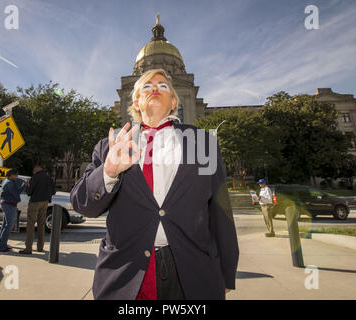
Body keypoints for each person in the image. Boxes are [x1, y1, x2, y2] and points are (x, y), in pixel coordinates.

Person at [70, 68, 239, 300]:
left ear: (173, 103)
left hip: (193, 272)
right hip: (126, 273)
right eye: (147, 87)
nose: (155, 89)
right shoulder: (111, 144)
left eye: (163, 86)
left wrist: (227, 272)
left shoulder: (204, 143)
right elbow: (82, 205)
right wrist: (109, 171)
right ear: (136, 102)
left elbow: (220, 213)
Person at [19, 165, 55, 254]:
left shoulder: (34, 178)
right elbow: (53, 191)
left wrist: (27, 186)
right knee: (41, 224)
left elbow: (29, 192)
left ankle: (28, 248)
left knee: (30, 224)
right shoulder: (48, 178)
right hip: (45, 202)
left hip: (35, 202)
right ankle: (40, 247)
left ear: (35, 170)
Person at [0, 169, 26, 253]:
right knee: (9, 225)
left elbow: (16, 192)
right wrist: (23, 185)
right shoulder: (10, 183)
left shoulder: (7, 181)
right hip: (9, 204)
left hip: (7, 204)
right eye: (16, 175)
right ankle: (1, 246)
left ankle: (1, 244)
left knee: (5, 224)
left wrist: (23, 185)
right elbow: (16, 193)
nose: (16, 176)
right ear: (11, 175)